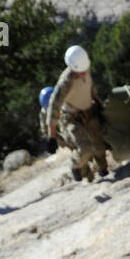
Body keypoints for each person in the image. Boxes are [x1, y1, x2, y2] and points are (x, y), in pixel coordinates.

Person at [46, 45, 109, 181]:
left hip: (89, 112)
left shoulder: (85, 67)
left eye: (86, 69)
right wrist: (51, 136)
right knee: (85, 148)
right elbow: (54, 106)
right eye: (81, 71)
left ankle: (102, 170)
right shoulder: (65, 82)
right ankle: (76, 165)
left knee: (99, 147)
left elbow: (90, 88)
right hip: (71, 119)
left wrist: (98, 103)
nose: (85, 73)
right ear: (73, 68)